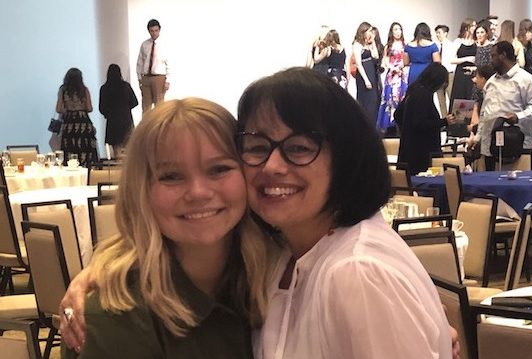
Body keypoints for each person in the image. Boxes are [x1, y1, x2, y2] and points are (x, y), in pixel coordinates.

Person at [60, 68, 459, 358]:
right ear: (140, 191)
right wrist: (102, 270)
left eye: (300, 147)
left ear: (346, 157)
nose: (272, 166)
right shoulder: (273, 264)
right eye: (170, 176)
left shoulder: (346, 272)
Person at [60, 98, 274, 358]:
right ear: (140, 192)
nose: (198, 192)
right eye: (171, 176)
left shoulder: (274, 275)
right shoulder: (113, 319)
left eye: (219, 169)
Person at [473, 41, 532, 170]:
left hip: (517, 146)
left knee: (516, 187)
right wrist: (478, 137)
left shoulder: (526, 80)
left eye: (493, 56)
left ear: (503, 55)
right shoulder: (491, 82)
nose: (491, 60)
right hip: (490, 147)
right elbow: (484, 113)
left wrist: (518, 116)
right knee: (491, 187)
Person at [395, 63, 456, 175]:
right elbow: (420, 123)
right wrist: (443, 122)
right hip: (421, 152)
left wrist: (406, 130)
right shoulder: (423, 95)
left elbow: (398, 114)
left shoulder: (413, 89)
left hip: (409, 148)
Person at [56, 67, 99, 166]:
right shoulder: (84, 90)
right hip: (83, 122)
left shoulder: (63, 90)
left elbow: (58, 109)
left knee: (70, 148)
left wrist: (68, 109)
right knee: (84, 148)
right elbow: (89, 108)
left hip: (69, 123)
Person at [99, 64, 138, 158]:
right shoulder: (126, 86)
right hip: (126, 120)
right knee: (129, 152)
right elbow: (135, 102)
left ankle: (116, 171)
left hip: (112, 122)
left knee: (117, 152)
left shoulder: (104, 88)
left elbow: (102, 108)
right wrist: (125, 109)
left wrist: (108, 114)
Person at [378, 22, 408, 136]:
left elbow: (407, 60)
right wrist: (392, 67)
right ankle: (390, 127)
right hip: (391, 75)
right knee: (390, 99)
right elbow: (385, 61)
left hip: (402, 75)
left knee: (402, 99)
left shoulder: (405, 45)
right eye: (395, 29)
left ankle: (401, 126)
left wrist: (401, 66)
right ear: (392, 31)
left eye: (399, 29)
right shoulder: (388, 46)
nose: (398, 32)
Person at [352, 22, 382, 129]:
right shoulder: (357, 44)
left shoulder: (368, 44)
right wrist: (366, 80)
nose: (370, 33)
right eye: (369, 31)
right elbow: (358, 64)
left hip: (371, 71)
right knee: (366, 102)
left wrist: (372, 42)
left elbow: (376, 56)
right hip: (364, 74)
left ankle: (373, 127)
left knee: (374, 101)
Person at [137, 19, 171, 112]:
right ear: (148, 31)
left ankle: (159, 126)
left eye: (156, 30)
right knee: (145, 107)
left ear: (159, 30)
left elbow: (169, 64)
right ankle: (147, 126)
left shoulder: (165, 44)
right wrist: (139, 78)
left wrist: (168, 81)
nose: (154, 33)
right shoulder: (145, 44)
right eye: (152, 31)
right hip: (146, 77)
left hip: (159, 77)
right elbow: (140, 62)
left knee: (159, 106)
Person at [435, 24, 457, 117]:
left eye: (439, 33)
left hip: (448, 73)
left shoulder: (451, 45)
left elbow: (452, 60)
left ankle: (453, 119)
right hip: (439, 74)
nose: (437, 35)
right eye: (436, 33)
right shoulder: (437, 46)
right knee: (441, 99)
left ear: (445, 33)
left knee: (451, 96)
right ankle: (444, 118)